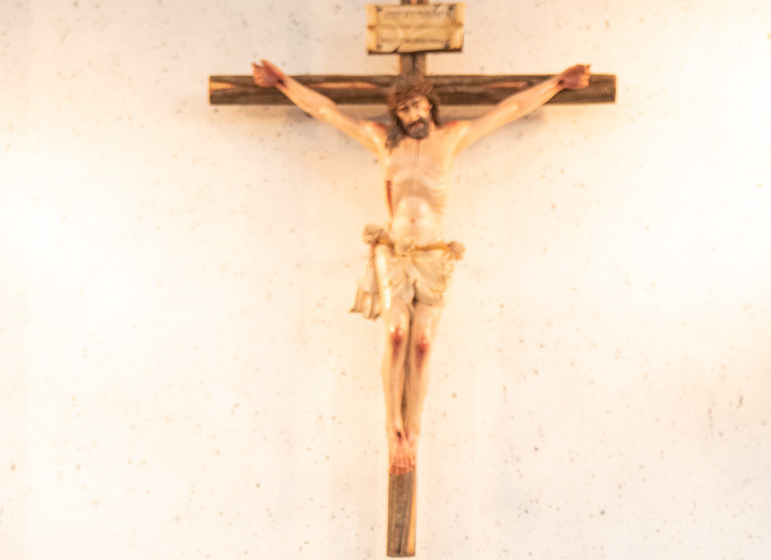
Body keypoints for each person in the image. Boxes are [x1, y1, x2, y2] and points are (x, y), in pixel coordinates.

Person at [250, 61, 591, 474]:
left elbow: (510, 110)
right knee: (395, 336)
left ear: (431, 104)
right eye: (404, 110)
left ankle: (414, 431)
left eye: (418, 106)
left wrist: (557, 83)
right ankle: (392, 429)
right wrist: (283, 82)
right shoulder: (382, 142)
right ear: (395, 115)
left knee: (424, 343)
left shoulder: (452, 138)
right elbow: (327, 112)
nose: (413, 115)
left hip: (432, 254)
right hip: (394, 251)